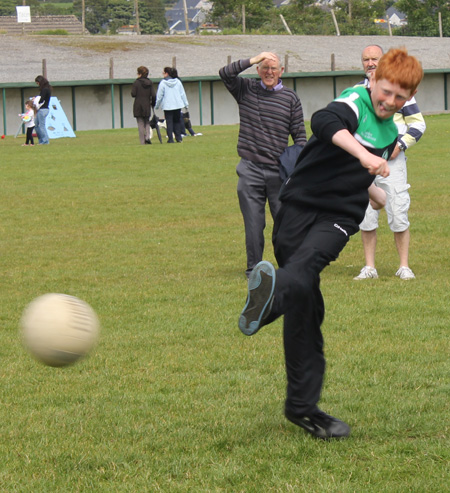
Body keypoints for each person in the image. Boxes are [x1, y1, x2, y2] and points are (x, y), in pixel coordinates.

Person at [237, 48, 423, 439]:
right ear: (372, 81)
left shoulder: (391, 134)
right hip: (297, 206)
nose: (390, 102)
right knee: (305, 304)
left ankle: (270, 299)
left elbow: (357, 168)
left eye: (400, 98)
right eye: (386, 92)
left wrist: (374, 192)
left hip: (339, 215)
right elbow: (324, 123)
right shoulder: (354, 103)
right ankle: (302, 406)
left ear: (409, 98)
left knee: (303, 274)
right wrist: (365, 157)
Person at [219, 52, 307, 278]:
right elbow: (225, 73)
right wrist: (254, 58)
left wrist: (297, 170)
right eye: (264, 67)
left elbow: (300, 138)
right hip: (250, 169)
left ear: (282, 71)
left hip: (280, 172)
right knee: (254, 225)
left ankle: (289, 266)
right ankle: (254, 270)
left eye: (274, 68)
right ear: (257, 70)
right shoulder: (246, 89)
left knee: (285, 224)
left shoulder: (290, 99)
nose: (269, 72)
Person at [354, 45, 426, 281]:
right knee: (366, 214)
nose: (370, 63)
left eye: (375, 58)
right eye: (366, 59)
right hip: (363, 163)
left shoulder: (400, 90)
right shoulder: (357, 92)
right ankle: (369, 267)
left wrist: (399, 146)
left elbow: (418, 125)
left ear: (384, 61)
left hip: (393, 162)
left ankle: (404, 266)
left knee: (398, 210)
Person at [155, 67, 189, 144]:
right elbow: (182, 93)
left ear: (167, 73)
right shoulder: (178, 82)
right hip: (177, 105)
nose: (163, 74)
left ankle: (170, 139)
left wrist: (157, 105)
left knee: (169, 122)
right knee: (177, 121)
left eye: (163, 73)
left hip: (168, 106)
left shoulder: (163, 83)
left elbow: (159, 95)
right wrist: (186, 104)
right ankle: (179, 138)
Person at [131, 66, 156, 145]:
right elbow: (154, 95)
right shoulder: (150, 83)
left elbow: (133, 94)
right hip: (147, 104)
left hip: (138, 105)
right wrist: (153, 103)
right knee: (147, 122)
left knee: (140, 123)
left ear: (140, 74)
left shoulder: (136, 82)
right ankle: (147, 137)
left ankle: (142, 141)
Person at [34, 75, 52, 145]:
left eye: (37, 83)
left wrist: (35, 100)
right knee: (36, 125)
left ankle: (45, 141)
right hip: (44, 109)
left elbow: (41, 100)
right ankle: (41, 140)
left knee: (41, 125)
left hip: (43, 109)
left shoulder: (44, 90)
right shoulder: (47, 89)